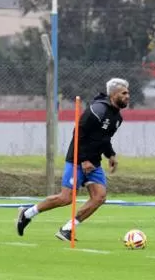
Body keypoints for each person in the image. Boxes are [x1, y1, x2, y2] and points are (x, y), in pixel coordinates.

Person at [16, 78, 130, 242]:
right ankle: (27, 213)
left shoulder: (117, 118)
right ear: (113, 94)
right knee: (66, 198)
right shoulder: (97, 110)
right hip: (78, 160)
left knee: (100, 197)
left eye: (128, 93)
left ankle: (67, 229)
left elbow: (104, 139)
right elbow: (78, 134)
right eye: (124, 93)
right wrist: (83, 160)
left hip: (94, 164)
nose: (127, 96)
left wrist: (110, 154)